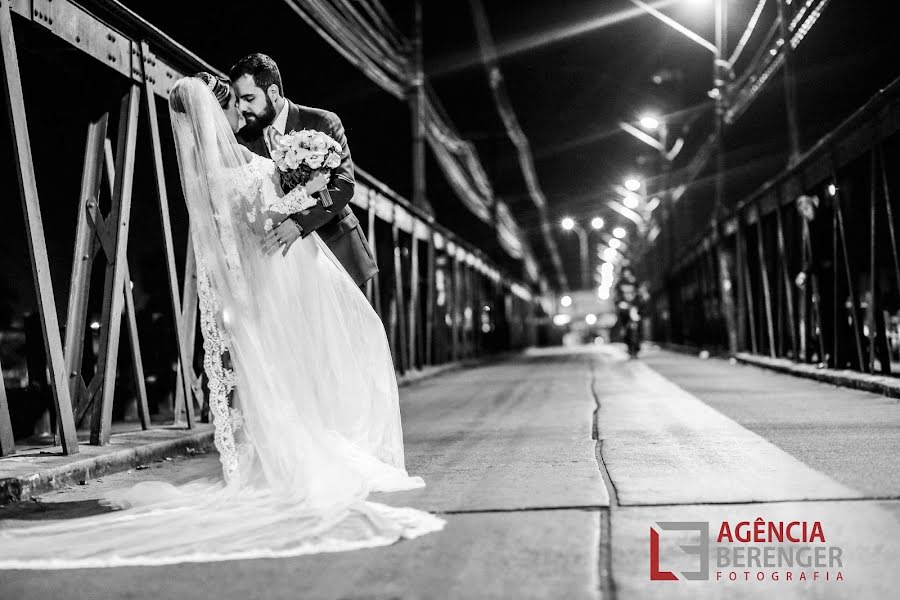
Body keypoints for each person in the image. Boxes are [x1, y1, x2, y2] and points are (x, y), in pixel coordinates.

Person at [0, 76, 443, 569]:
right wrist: (305, 189)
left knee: (299, 370)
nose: (242, 111)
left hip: (274, 281)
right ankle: (303, 459)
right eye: (234, 102)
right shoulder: (235, 163)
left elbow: (271, 211)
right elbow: (258, 223)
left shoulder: (216, 165)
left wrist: (302, 190)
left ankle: (297, 453)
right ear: (220, 109)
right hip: (277, 282)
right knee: (311, 364)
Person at [230, 54, 377, 289]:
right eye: (238, 100)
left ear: (273, 93)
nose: (242, 107)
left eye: (249, 98)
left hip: (336, 251)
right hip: (287, 267)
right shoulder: (244, 141)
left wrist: (299, 224)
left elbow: (342, 186)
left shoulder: (322, 122)